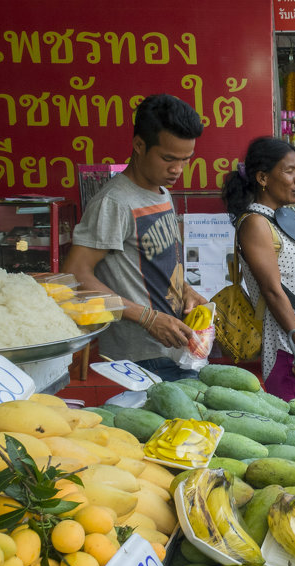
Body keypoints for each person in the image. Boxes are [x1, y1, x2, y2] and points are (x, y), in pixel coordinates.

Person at [63, 93, 206, 381]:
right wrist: (147, 318)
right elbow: (74, 275)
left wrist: (185, 290)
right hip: (141, 359)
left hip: (177, 349)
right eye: (168, 158)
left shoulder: (162, 193)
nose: (177, 169)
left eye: (185, 159)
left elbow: (156, 264)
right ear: (139, 145)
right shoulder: (114, 202)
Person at [221, 137, 295, 405]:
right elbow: (273, 291)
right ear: (263, 177)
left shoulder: (283, 218)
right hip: (289, 348)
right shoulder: (255, 223)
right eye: (289, 171)